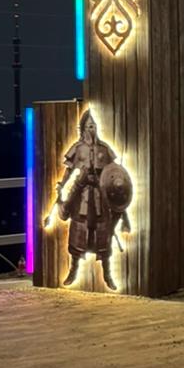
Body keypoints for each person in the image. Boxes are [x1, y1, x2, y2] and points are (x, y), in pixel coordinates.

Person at [53, 108, 130, 290]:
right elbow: (69, 170)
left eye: (94, 126)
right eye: (89, 126)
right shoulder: (78, 148)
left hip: (100, 195)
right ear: (83, 128)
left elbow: (113, 172)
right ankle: (73, 271)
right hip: (82, 194)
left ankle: (107, 275)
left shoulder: (104, 149)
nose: (92, 129)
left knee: (103, 234)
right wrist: (62, 184)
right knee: (78, 231)